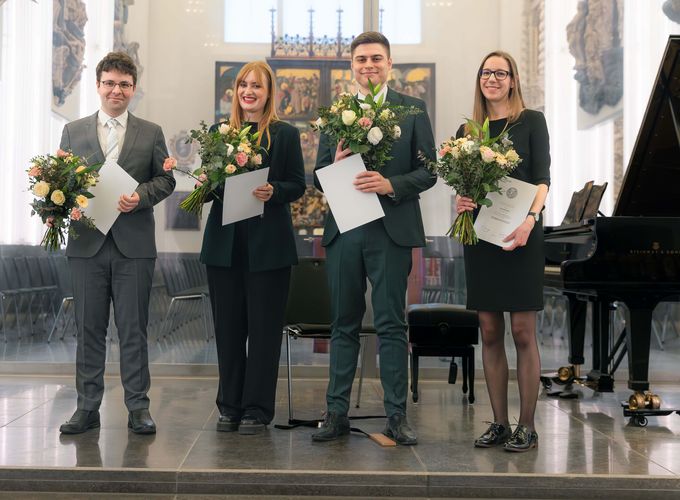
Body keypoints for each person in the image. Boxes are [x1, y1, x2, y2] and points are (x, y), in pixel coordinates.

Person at [312, 32, 436, 445]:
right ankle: (336, 413)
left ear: (389, 63)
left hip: (391, 229)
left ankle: (397, 416)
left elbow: (430, 171)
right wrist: (335, 162)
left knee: (391, 325)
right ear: (352, 65)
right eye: (361, 59)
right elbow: (317, 177)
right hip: (346, 228)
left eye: (376, 59)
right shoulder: (335, 112)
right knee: (343, 324)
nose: (368, 65)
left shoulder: (412, 110)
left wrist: (390, 184)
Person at [58, 52, 176, 434]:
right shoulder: (73, 131)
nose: (116, 90)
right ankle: (87, 407)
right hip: (87, 245)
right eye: (109, 82)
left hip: (133, 246)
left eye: (124, 84)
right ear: (98, 85)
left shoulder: (151, 131)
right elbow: (62, 182)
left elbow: (166, 180)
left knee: (133, 329)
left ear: (133, 89)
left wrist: (139, 197)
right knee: (88, 328)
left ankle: (138, 407)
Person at [200, 61, 306, 434]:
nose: (248, 91)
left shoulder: (284, 134)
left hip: (269, 247)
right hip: (224, 246)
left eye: (256, 86)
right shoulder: (218, 132)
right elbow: (211, 190)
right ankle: (229, 405)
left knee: (263, 332)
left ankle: (257, 409)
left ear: (269, 93)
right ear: (235, 92)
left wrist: (274, 191)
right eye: (243, 84)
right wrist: (205, 181)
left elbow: (298, 184)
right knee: (228, 330)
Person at [455, 50, 550, 452]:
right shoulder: (467, 131)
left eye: (500, 72)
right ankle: (498, 422)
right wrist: (460, 201)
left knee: (523, 332)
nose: (492, 78)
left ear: (513, 79)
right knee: (490, 331)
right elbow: (465, 187)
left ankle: (526, 425)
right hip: (482, 239)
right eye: (486, 72)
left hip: (522, 236)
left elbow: (543, 179)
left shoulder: (531, 121)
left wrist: (530, 220)